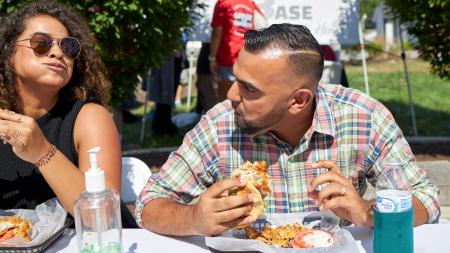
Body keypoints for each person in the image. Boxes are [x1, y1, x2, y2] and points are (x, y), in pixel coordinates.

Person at [136, 24, 440, 236]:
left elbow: (425, 199)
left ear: (298, 100)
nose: (230, 95)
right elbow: (150, 202)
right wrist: (194, 218)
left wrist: (370, 214)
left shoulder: (364, 117)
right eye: (235, 78)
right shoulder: (221, 124)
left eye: (248, 89)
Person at [0, 1, 136, 227]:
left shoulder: (90, 118)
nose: (57, 52)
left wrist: (42, 152)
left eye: (68, 47)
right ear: (9, 53)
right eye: (41, 43)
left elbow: (104, 217)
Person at [209, 0, 264, 101]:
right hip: (248, 55)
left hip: (227, 56)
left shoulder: (223, 3)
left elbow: (217, 33)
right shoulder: (250, 3)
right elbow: (263, 27)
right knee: (244, 98)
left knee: (226, 100)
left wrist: (212, 57)